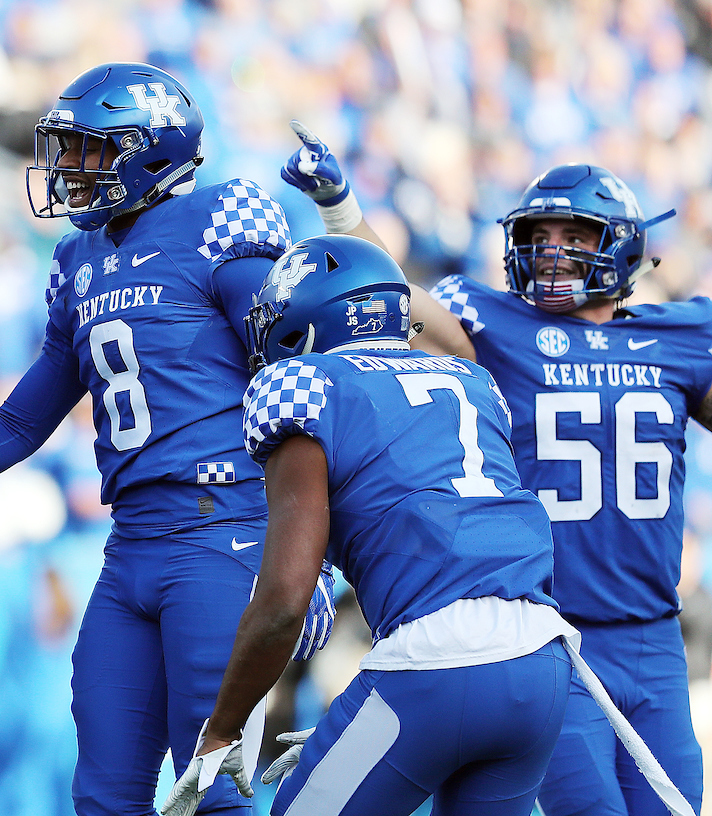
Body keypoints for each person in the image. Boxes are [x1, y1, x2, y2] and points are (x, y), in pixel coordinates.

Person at [0, 62, 335, 816]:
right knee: (104, 794)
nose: (67, 170)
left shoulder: (222, 217)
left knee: (210, 789)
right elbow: (22, 421)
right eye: (65, 149)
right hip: (131, 548)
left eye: (87, 150)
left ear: (147, 151)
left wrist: (313, 559)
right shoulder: (76, 259)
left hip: (225, 533)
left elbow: (305, 389)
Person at [284, 131, 707, 815]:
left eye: (574, 233)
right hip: (553, 631)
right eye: (539, 235)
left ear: (622, 244)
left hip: (656, 636)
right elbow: (395, 300)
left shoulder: (683, 336)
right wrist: (339, 206)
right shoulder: (498, 325)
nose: (550, 250)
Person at [160, 233, 576, 816]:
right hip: (541, 664)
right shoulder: (472, 383)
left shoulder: (307, 386)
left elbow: (284, 601)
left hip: (432, 672)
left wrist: (222, 730)